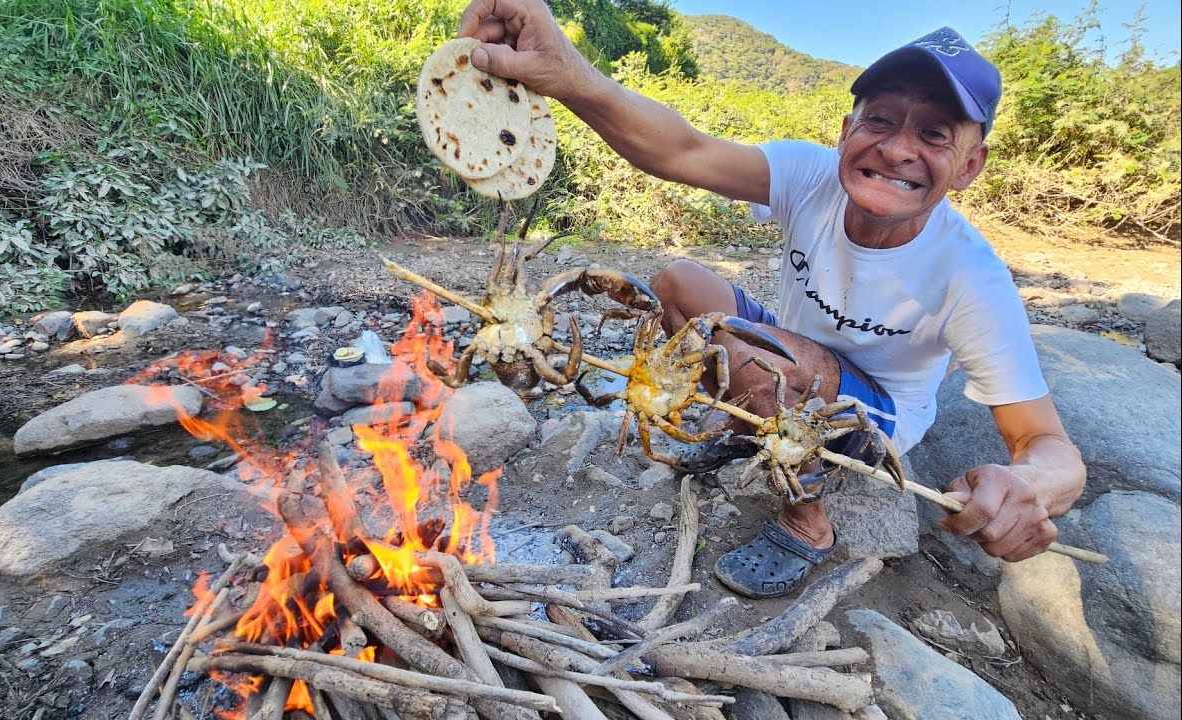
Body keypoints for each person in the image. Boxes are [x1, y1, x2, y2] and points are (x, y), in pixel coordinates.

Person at [457, 0, 1087, 598]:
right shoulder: (813, 176)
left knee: (764, 368)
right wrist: (568, 76)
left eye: (934, 134)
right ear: (846, 132)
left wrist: (1026, 485)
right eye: (880, 120)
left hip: (875, 415)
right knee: (678, 283)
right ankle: (744, 421)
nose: (897, 148)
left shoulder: (969, 274)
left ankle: (809, 523)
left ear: (970, 166)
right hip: (789, 354)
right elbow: (682, 150)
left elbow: (1051, 450)